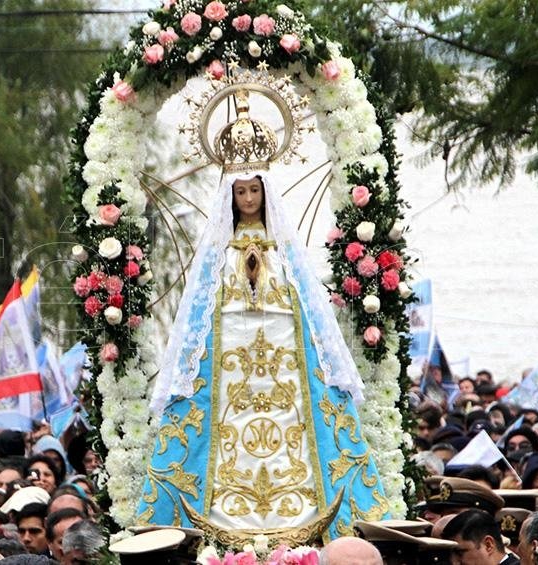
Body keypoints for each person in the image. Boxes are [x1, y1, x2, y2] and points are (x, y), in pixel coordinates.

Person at [139, 95, 385, 539]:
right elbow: (198, 318)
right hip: (229, 370)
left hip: (285, 371)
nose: (248, 199)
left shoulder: (286, 253)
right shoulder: (217, 255)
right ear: (230, 195)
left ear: (265, 192)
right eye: (240, 191)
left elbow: (308, 309)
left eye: (254, 190)